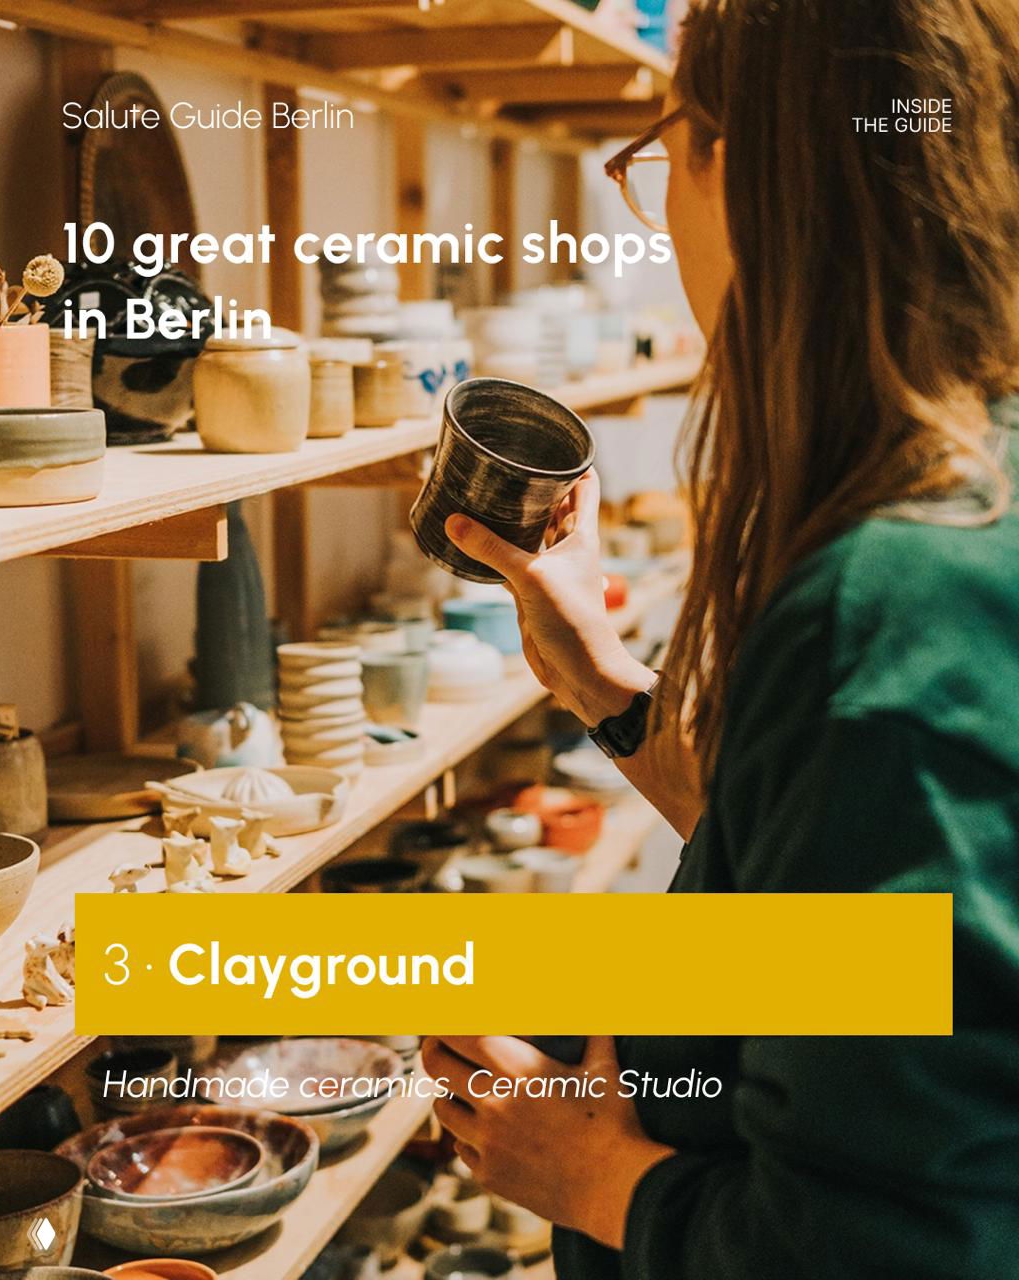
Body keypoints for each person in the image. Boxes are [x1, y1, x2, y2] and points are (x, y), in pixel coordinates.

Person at [421, 0, 1019, 1276]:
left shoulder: (894, 600)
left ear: (750, 168)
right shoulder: (978, 494)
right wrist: (612, 693)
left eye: (668, 147)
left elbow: (895, 1248)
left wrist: (591, 1174)